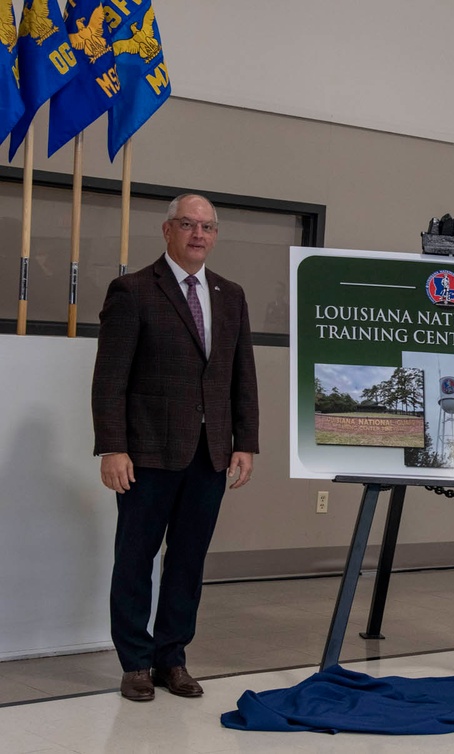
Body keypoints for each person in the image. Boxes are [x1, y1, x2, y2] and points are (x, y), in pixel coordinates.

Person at [92, 194, 260, 702]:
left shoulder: (230, 295)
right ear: (168, 230)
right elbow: (109, 380)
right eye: (188, 224)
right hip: (146, 453)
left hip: (210, 455)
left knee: (188, 561)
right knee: (136, 558)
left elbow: (241, 376)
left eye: (207, 227)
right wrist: (112, 447)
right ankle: (136, 663)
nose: (198, 234)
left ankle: (172, 658)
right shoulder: (133, 291)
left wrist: (245, 442)